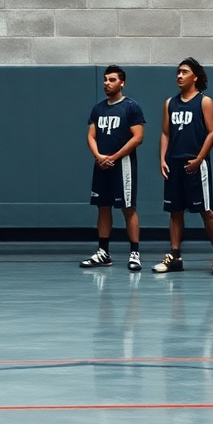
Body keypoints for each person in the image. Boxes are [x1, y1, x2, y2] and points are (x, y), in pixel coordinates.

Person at [152, 58, 213, 276]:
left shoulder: (204, 102)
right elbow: (165, 132)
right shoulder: (170, 103)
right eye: (177, 72)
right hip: (174, 163)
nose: (179, 76)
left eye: (184, 72)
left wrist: (199, 158)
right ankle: (175, 256)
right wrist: (162, 159)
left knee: (206, 210)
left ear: (195, 76)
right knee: (175, 211)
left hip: (195, 163)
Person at [80, 65, 146, 271]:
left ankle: (134, 253)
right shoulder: (98, 108)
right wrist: (99, 156)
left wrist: (115, 157)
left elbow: (138, 137)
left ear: (122, 83)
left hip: (122, 165)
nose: (107, 83)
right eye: (105, 80)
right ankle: (103, 252)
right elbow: (91, 135)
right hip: (101, 166)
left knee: (128, 208)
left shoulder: (131, 107)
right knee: (103, 207)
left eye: (112, 80)